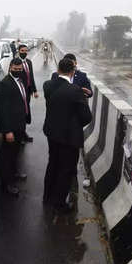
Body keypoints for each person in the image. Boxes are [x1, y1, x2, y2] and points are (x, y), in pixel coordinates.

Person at [43, 58, 92, 212]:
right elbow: (86, 117)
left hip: (52, 133)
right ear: (72, 71)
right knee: (66, 169)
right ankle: (59, 204)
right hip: (69, 138)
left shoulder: (47, 85)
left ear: (58, 70)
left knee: (53, 164)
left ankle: (47, 197)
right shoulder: (75, 91)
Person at [0, 58, 30, 196]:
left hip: (20, 125)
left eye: (20, 69)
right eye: (15, 69)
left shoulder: (20, 81)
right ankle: (6, 185)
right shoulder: (5, 84)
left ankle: (14, 174)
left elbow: (23, 101)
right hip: (11, 128)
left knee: (15, 153)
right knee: (6, 156)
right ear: (10, 68)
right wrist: (7, 130)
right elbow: (3, 110)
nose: (18, 71)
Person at [17, 44, 38, 142]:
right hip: (19, 92)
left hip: (28, 91)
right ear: (18, 51)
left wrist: (34, 90)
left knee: (26, 111)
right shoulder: (16, 63)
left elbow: (31, 77)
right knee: (20, 113)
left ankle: (23, 132)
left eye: (26, 51)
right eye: (22, 51)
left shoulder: (29, 62)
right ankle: (20, 134)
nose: (24, 53)